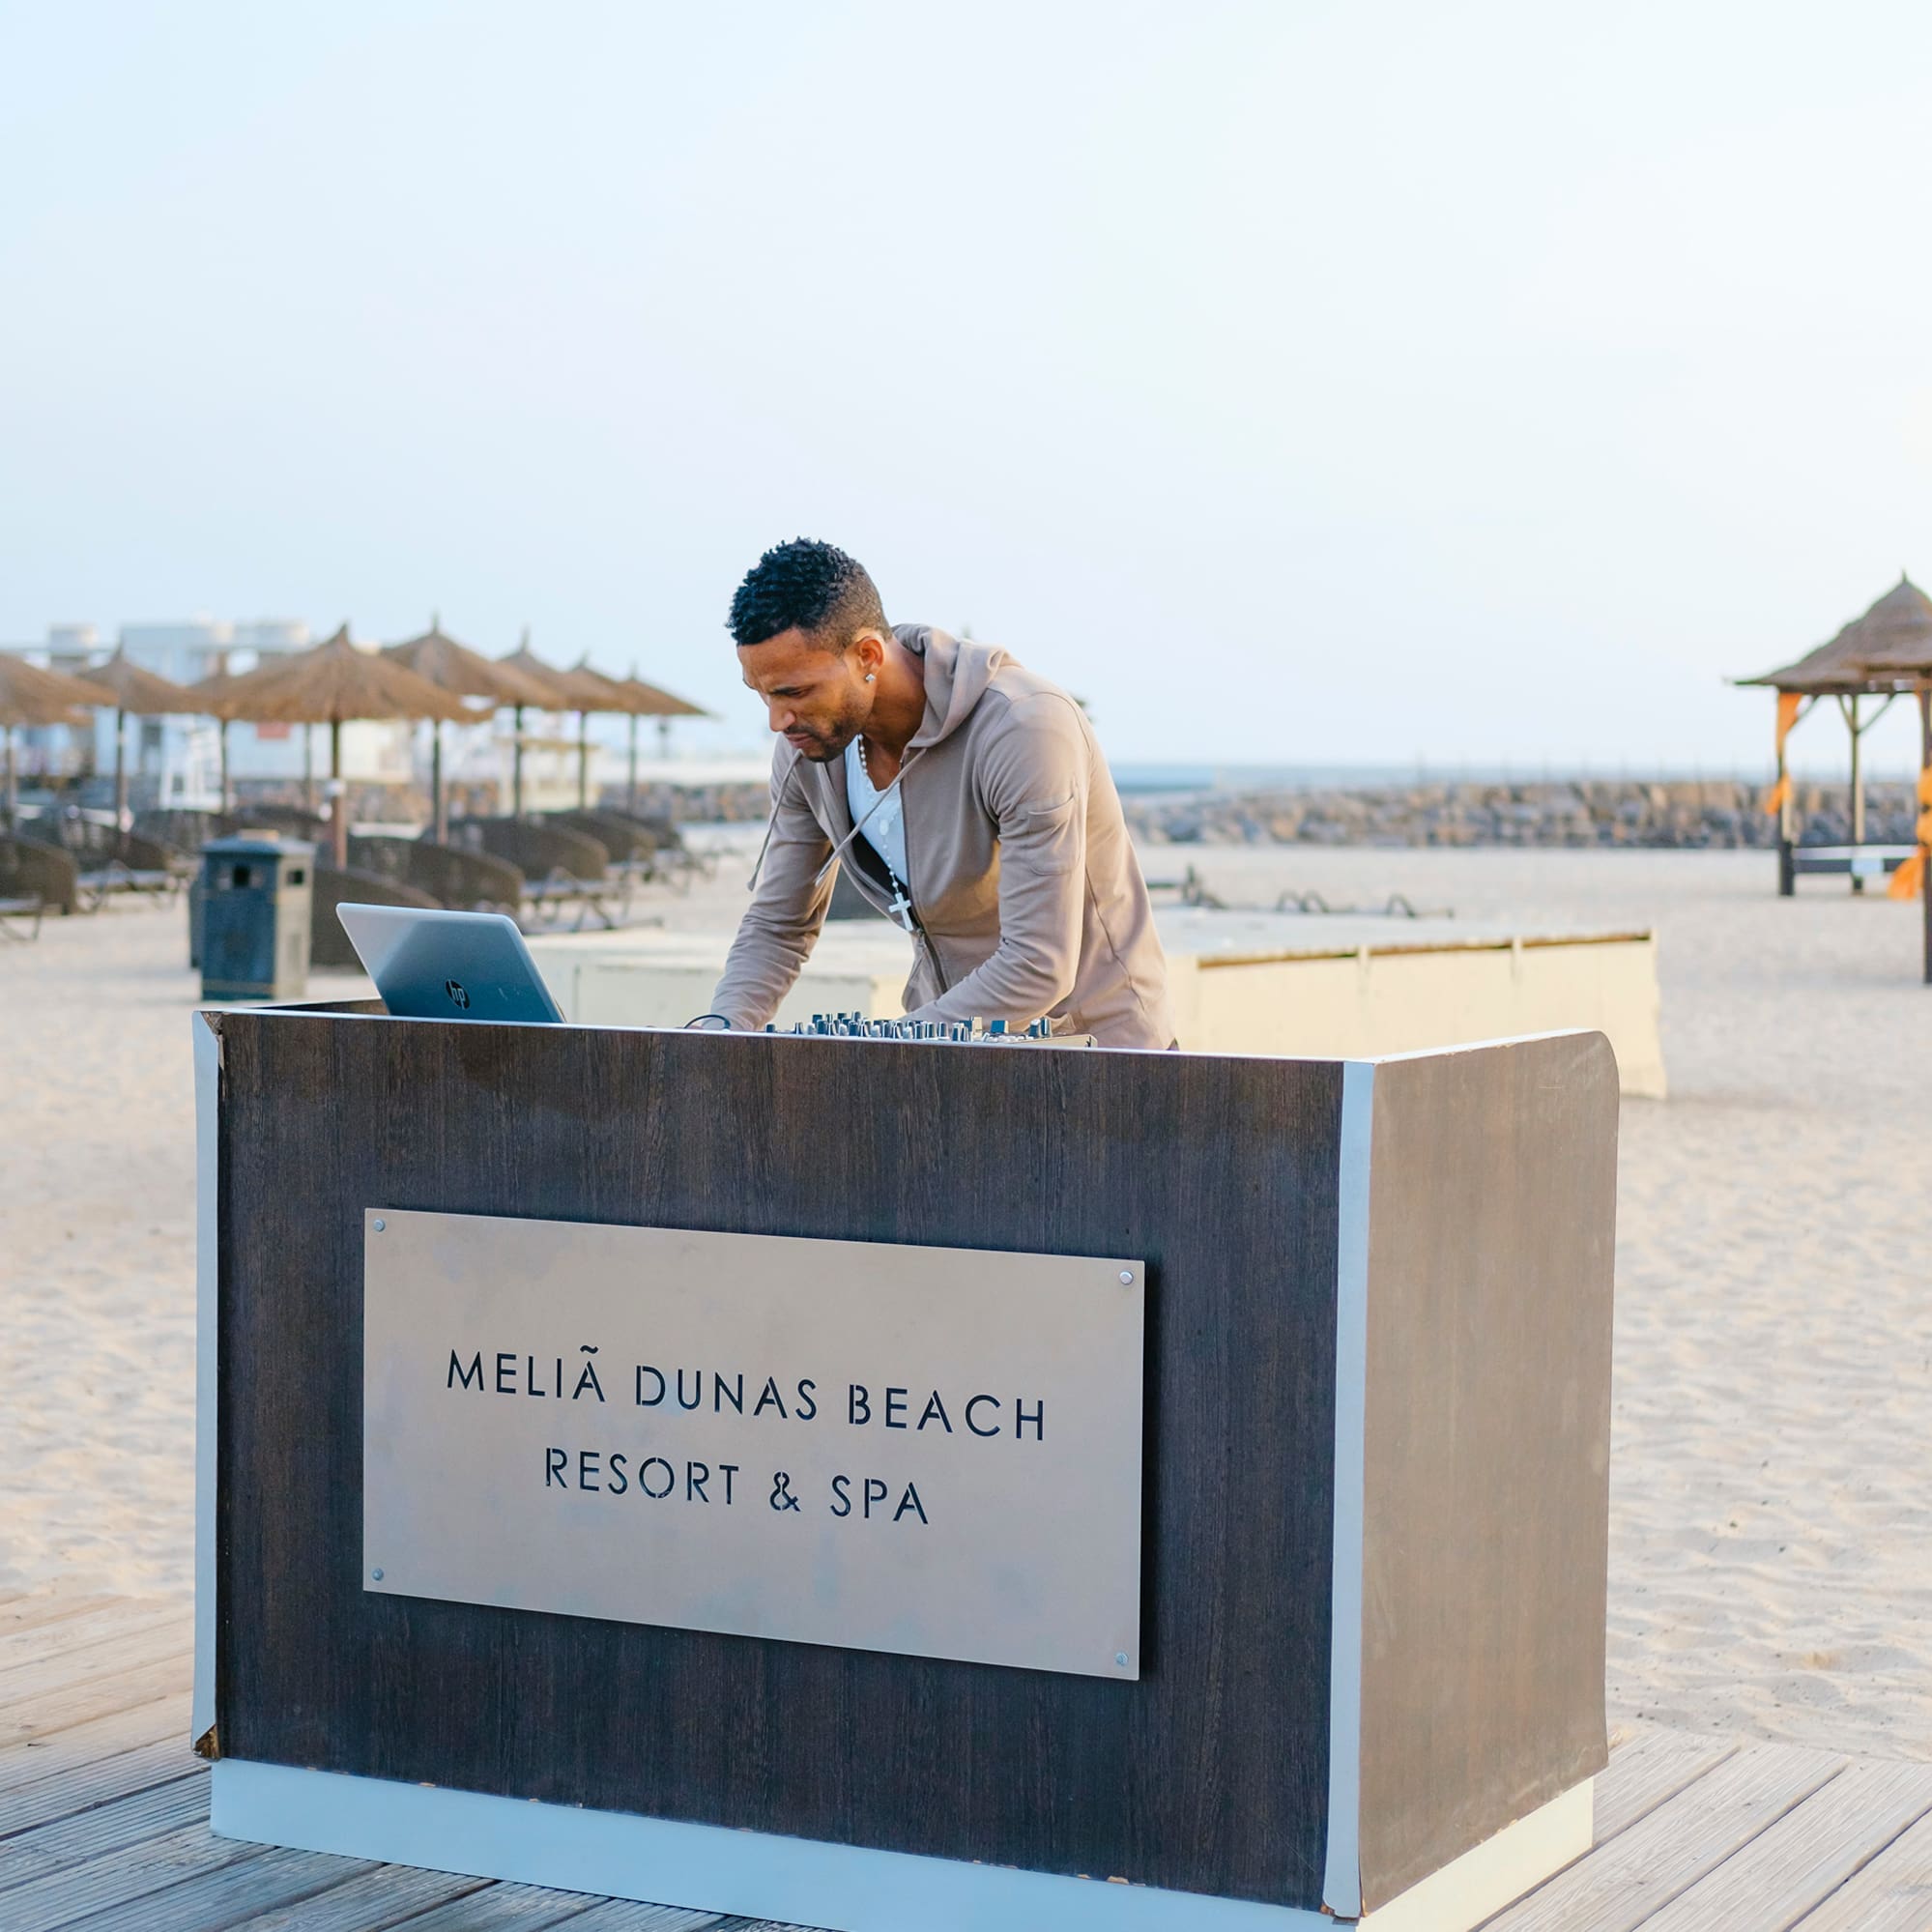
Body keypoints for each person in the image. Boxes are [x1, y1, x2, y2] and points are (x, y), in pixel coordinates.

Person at [709, 537, 1174, 1048]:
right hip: (948, 1053)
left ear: (867, 654)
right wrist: (717, 1032)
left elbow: (1038, 964)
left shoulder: (1023, 729)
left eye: (794, 693)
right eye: (761, 694)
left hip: (1100, 1059)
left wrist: (885, 1045)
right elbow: (779, 924)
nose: (777, 721)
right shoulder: (811, 749)